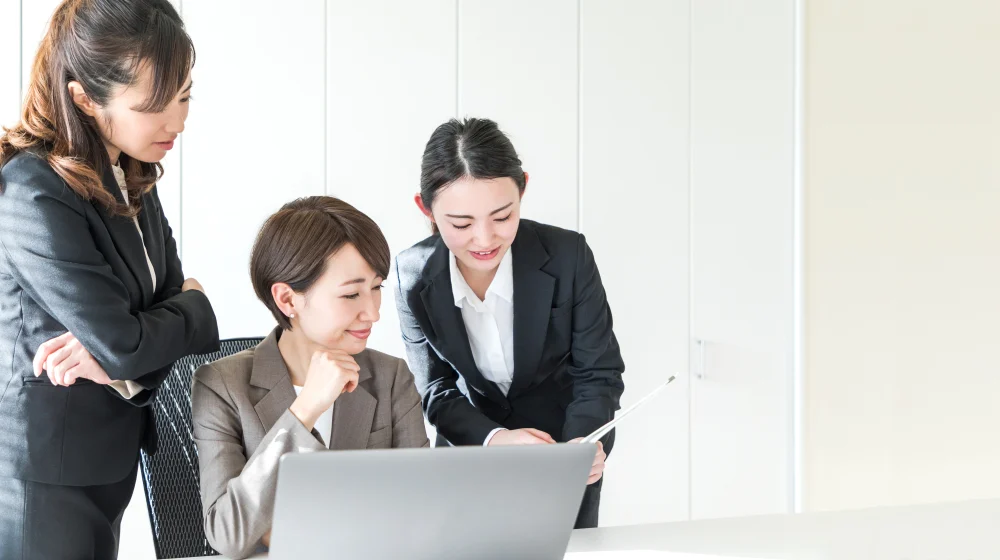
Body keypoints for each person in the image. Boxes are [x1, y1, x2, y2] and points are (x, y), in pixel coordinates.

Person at [0, 1, 220, 557]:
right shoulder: (31, 188)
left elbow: (142, 336)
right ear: (83, 97)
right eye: (154, 105)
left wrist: (132, 347)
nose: (178, 121)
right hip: (43, 471)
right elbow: (131, 337)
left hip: (107, 453)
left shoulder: (128, 172)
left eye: (185, 95)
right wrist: (186, 309)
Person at [395, 117, 626, 529]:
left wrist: (582, 445)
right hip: (468, 455)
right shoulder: (411, 274)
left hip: (559, 454)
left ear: (522, 189)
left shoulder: (568, 255)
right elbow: (434, 388)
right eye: (461, 224)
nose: (484, 240)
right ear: (425, 208)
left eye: (502, 216)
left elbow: (598, 372)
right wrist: (495, 439)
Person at [192, 196, 430, 559]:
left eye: (377, 287)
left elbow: (421, 513)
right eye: (351, 293)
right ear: (288, 300)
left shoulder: (391, 376)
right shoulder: (222, 385)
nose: (373, 312)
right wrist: (305, 410)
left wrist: (282, 528)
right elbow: (228, 534)